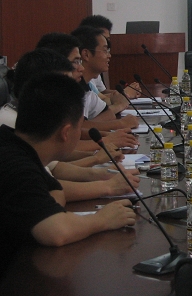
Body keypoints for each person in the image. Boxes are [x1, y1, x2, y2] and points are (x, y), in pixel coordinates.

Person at [0, 72, 136, 276]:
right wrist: (102, 219)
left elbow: (56, 193)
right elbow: (56, 232)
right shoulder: (14, 164)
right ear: (65, 133)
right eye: (79, 127)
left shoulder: (16, 146)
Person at [71, 26, 137, 130]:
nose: (109, 55)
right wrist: (121, 121)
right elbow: (78, 128)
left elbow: (107, 114)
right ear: (86, 54)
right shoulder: (73, 87)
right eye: (105, 50)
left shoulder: (87, 87)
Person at [78, 15, 141, 99]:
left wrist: (126, 92)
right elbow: (99, 99)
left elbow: (102, 93)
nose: (107, 44)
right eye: (104, 39)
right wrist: (125, 94)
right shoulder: (81, 70)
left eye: (108, 39)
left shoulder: (93, 69)